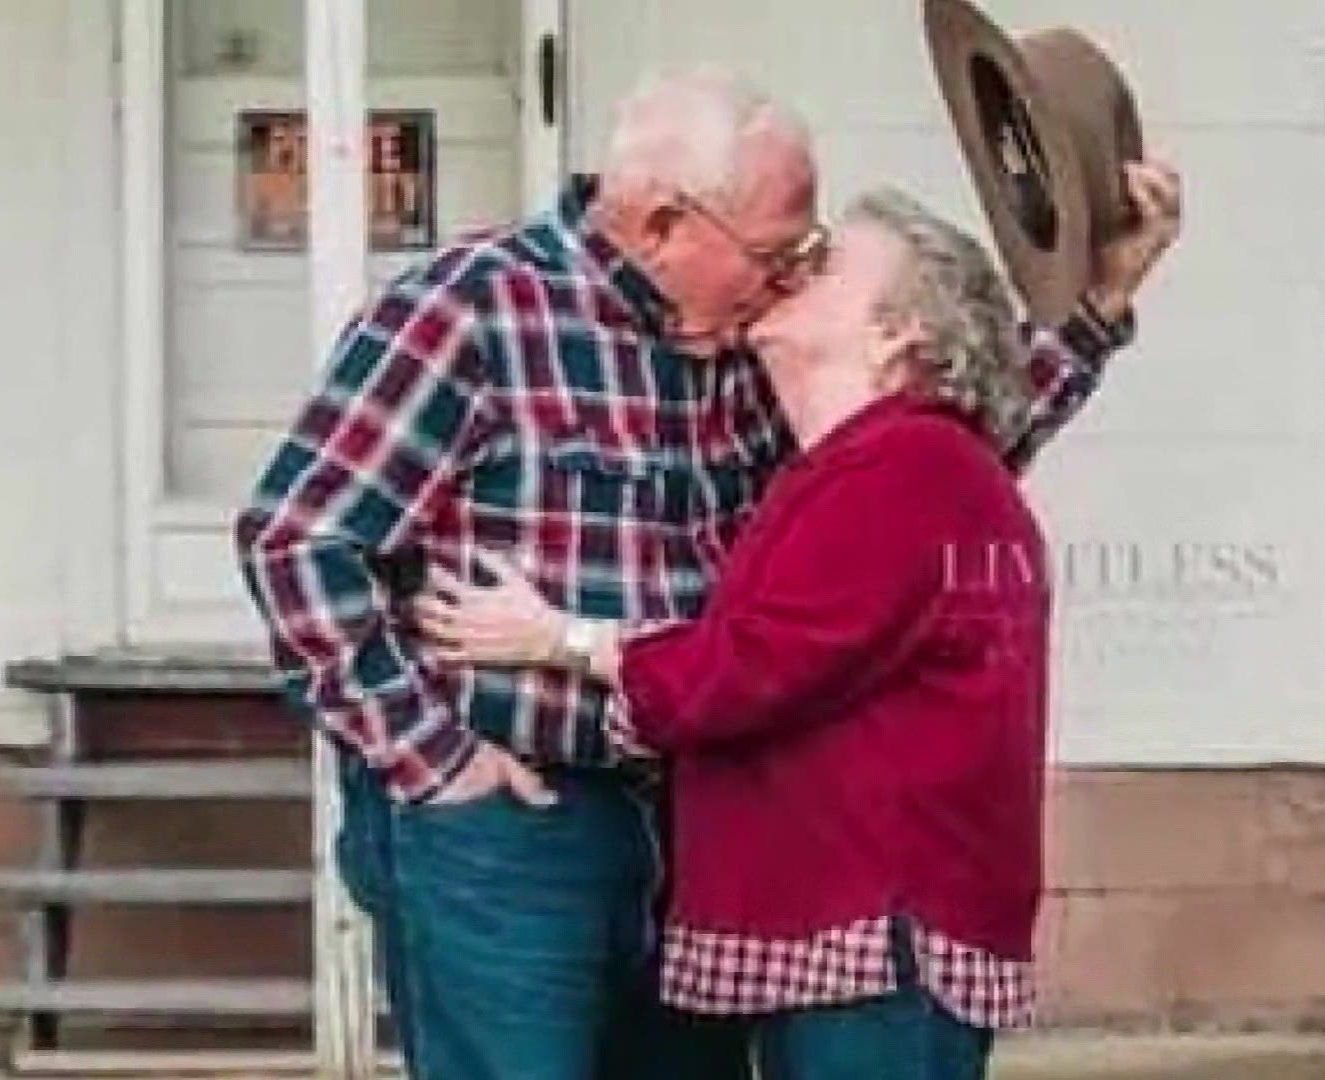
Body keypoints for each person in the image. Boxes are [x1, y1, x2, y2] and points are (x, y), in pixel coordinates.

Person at [235, 66, 1180, 1080]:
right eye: (776, 254)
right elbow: (299, 540)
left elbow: (918, 455)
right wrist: (437, 763)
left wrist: (1096, 309)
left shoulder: (741, 345)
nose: (789, 280)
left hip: (691, 813)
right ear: (662, 225)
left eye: (809, 260)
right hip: (515, 823)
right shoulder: (472, 311)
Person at [418, 188, 1065, 1079]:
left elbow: (753, 667)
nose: (795, 269)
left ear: (899, 336)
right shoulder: (916, 467)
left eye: (828, 263)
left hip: (876, 946)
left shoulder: (900, 468)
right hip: (870, 940)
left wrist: (557, 638)